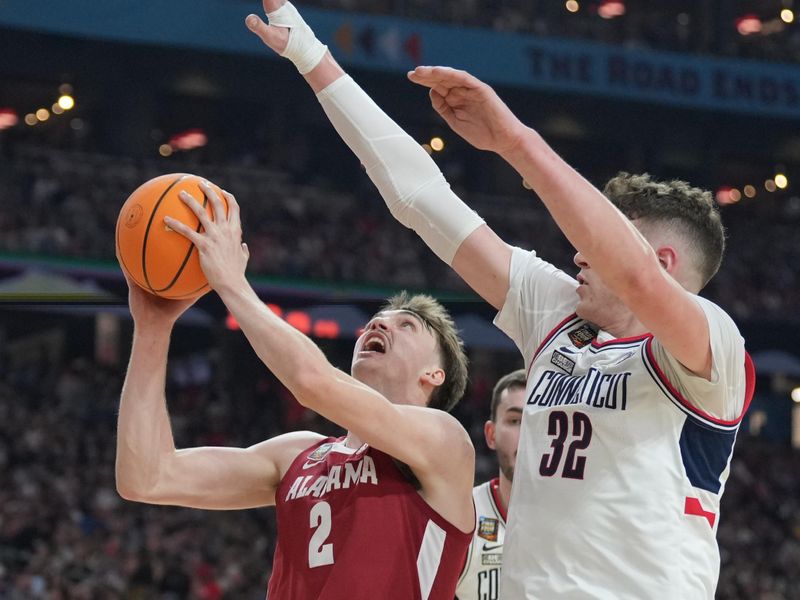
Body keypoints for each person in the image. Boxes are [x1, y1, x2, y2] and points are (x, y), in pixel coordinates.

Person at [245, 3, 756, 597]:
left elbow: (636, 278)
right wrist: (311, 54)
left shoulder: (713, 354)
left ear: (663, 262)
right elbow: (421, 197)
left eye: (596, 240)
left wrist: (515, 141)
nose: (577, 254)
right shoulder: (560, 318)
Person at [114, 182, 475, 599]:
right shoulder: (297, 455)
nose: (379, 324)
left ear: (434, 374)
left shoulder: (445, 443)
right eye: (377, 319)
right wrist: (152, 328)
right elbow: (146, 477)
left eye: (406, 325)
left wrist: (232, 284)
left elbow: (312, 382)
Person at [455, 369, 525, 600]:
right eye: (515, 421)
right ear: (491, 434)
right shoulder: (463, 514)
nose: (527, 434)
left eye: (539, 422)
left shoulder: (581, 522)